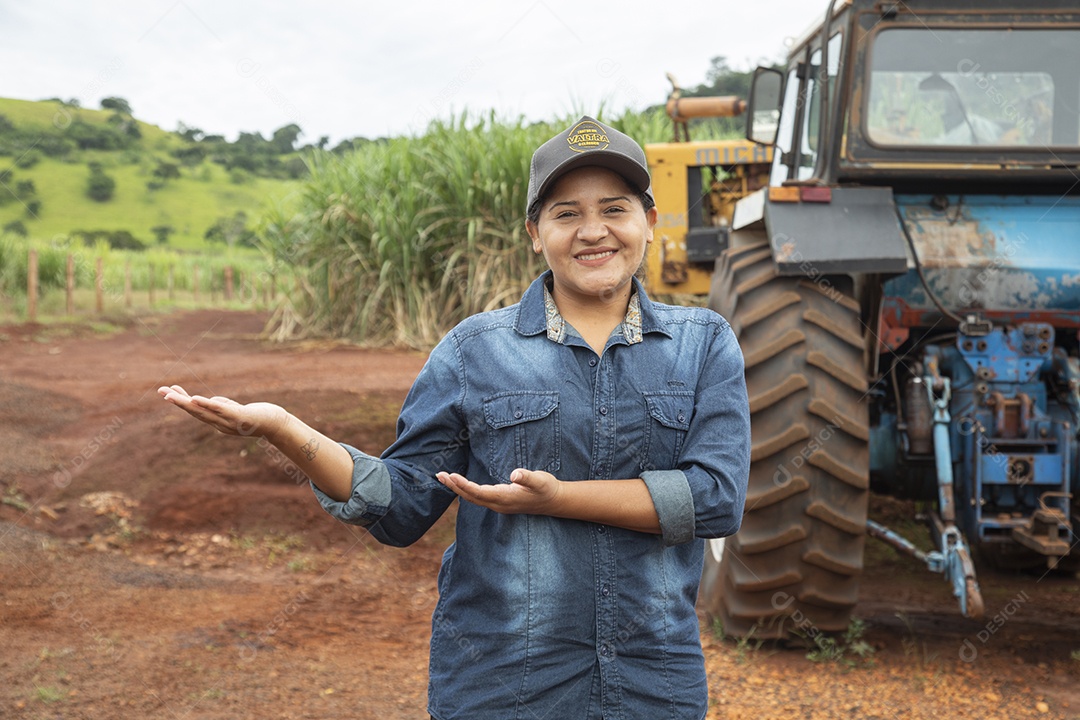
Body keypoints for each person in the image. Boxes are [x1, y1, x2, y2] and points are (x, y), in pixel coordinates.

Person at [159, 115, 751, 720]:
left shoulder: (702, 344)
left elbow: (715, 500)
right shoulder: (475, 351)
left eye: (615, 209)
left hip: (652, 687)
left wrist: (558, 500)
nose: (592, 231)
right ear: (534, 232)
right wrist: (284, 428)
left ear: (649, 222)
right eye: (566, 213)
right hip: (504, 688)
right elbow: (401, 505)